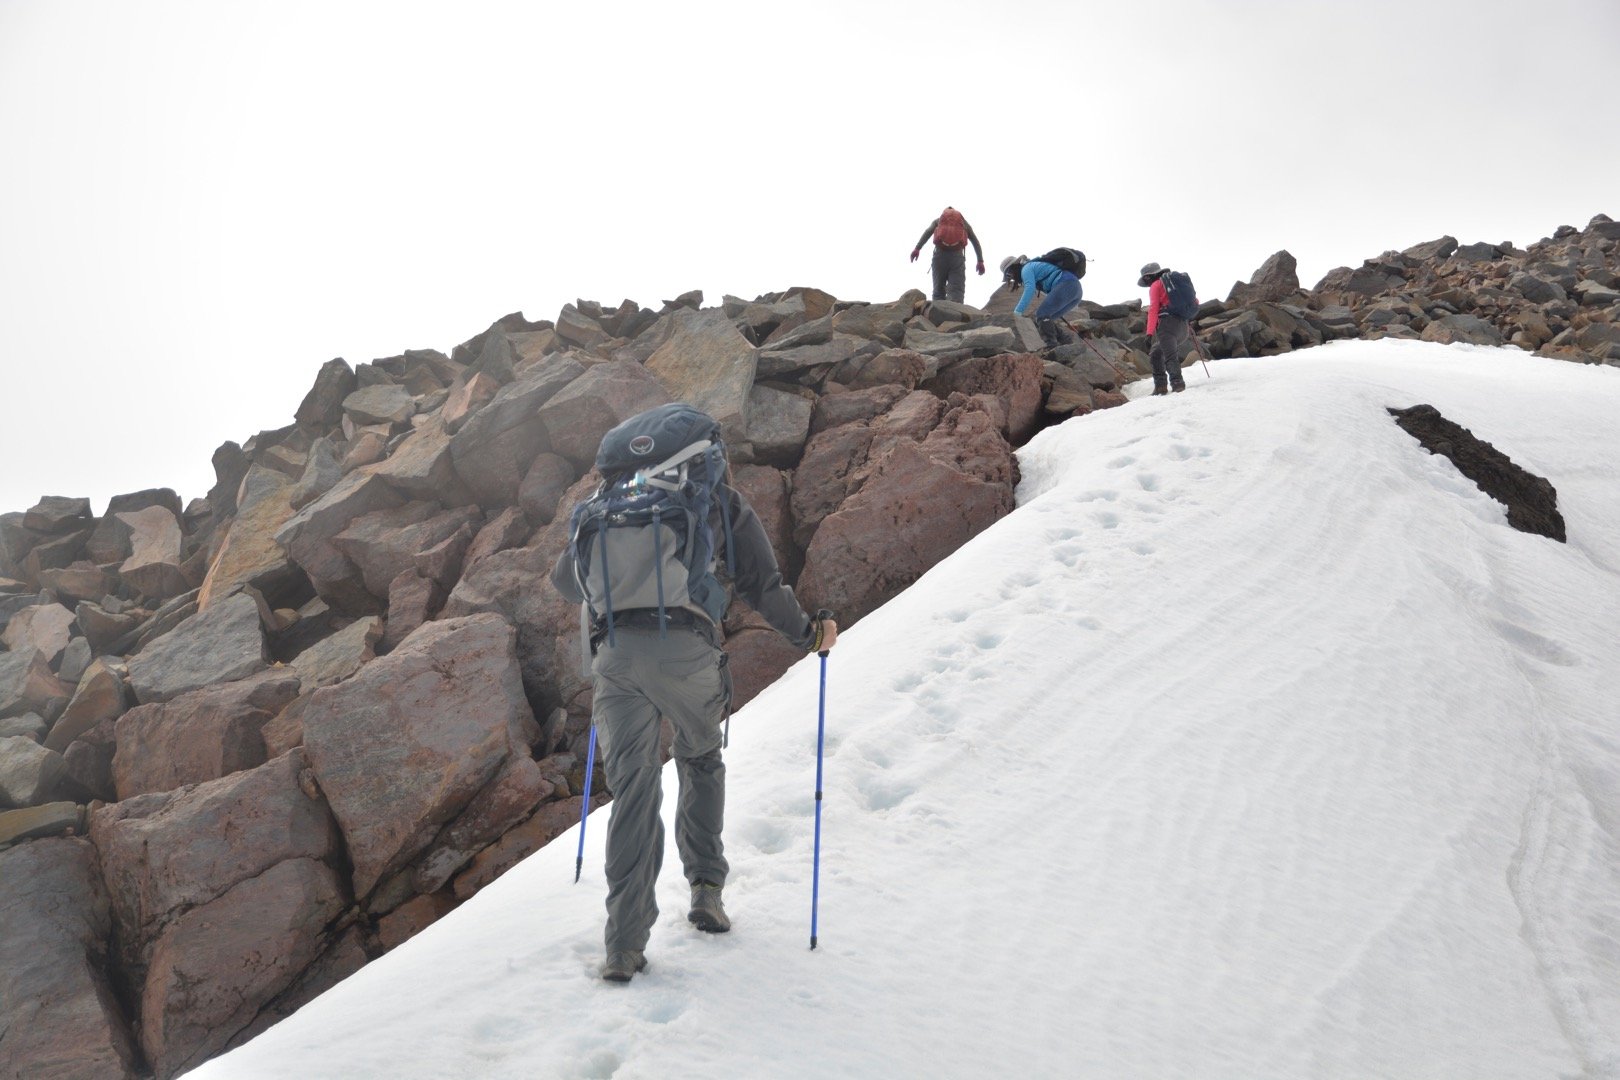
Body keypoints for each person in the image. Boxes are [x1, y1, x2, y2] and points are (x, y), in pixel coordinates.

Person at [551, 404, 839, 984]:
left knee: (632, 790)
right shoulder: (712, 501)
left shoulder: (607, 505)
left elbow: (565, 582)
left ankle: (623, 947)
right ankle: (706, 889)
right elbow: (762, 583)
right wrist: (810, 634)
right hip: (686, 652)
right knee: (700, 757)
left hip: (614, 659)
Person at [1001, 253, 1083, 348]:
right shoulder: (1033, 267)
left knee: (1041, 314)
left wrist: (1017, 313)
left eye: (1008, 274)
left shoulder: (1026, 268)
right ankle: (1067, 343)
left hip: (1067, 284)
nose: (1010, 277)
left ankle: (1051, 345)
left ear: (1014, 266)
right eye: (1008, 276)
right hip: (1076, 291)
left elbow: (1029, 289)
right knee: (1047, 319)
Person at [910, 206, 986, 303]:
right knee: (956, 291)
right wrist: (980, 261)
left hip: (939, 256)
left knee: (938, 290)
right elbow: (975, 241)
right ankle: (955, 315)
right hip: (957, 258)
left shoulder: (938, 221)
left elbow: (928, 232)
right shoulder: (963, 223)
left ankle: (936, 314)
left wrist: (917, 248)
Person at [1138, 262, 1189, 395]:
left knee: (1170, 356)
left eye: (1146, 279)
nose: (1147, 283)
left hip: (1167, 326)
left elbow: (1153, 309)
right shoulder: (1174, 284)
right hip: (1183, 328)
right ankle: (1160, 386)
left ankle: (1178, 384)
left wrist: (1149, 333)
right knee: (1156, 352)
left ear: (1149, 277)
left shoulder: (1156, 285)